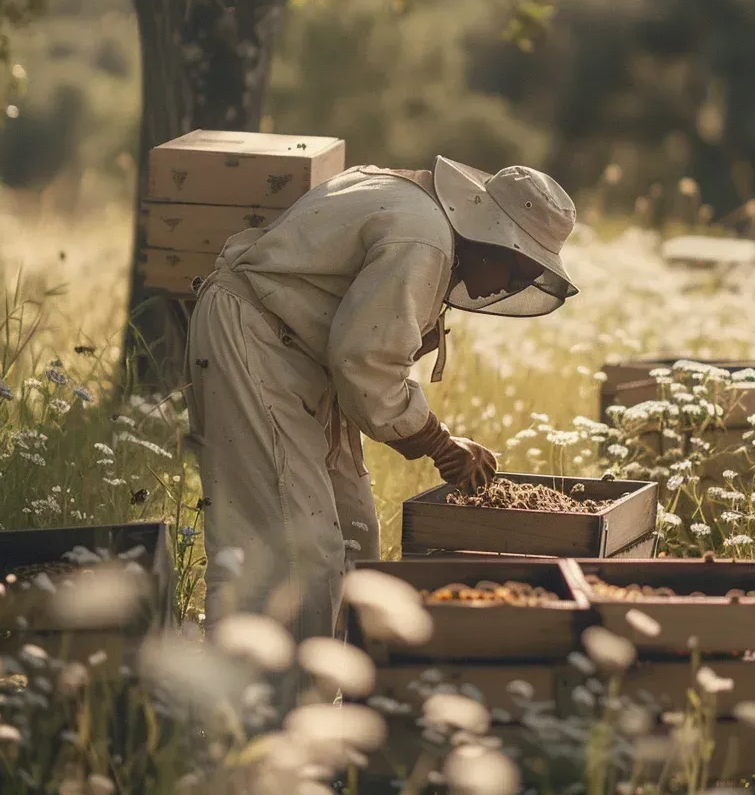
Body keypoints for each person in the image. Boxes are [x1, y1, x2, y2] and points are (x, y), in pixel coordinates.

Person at [183, 157, 578, 682]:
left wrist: (439, 439)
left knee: (354, 536)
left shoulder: (423, 217)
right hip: (254, 341)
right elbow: (365, 362)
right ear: (491, 240)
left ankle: (329, 690)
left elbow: (359, 354)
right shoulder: (423, 240)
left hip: (304, 356)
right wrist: (440, 446)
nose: (506, 287)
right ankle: (262, 712)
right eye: (516, 269)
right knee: (296, 547)